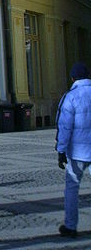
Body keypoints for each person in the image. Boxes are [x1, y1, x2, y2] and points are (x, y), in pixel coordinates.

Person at [56, 62, 91, 238]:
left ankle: (70, 226)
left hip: (78, 152)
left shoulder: (71, 97)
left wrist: (61, 150)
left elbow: (65, 126)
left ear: (72, 78)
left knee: (72, 189)